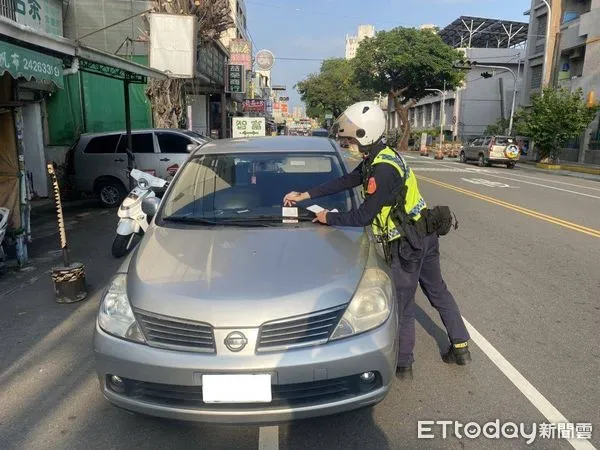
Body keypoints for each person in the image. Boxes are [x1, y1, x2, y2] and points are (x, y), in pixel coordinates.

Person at [283, 101, 471, 379]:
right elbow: (345, 181)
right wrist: (306, 195)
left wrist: (327, 218)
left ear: (365, 135)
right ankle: (461, 347)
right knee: (438, 290)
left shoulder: (383, 171)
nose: (347, 144)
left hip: (408, 242)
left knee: (404, 303)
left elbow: (363, 217)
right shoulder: (380, 158)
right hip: (425, 233)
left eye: (349, 139)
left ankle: (404, 363)